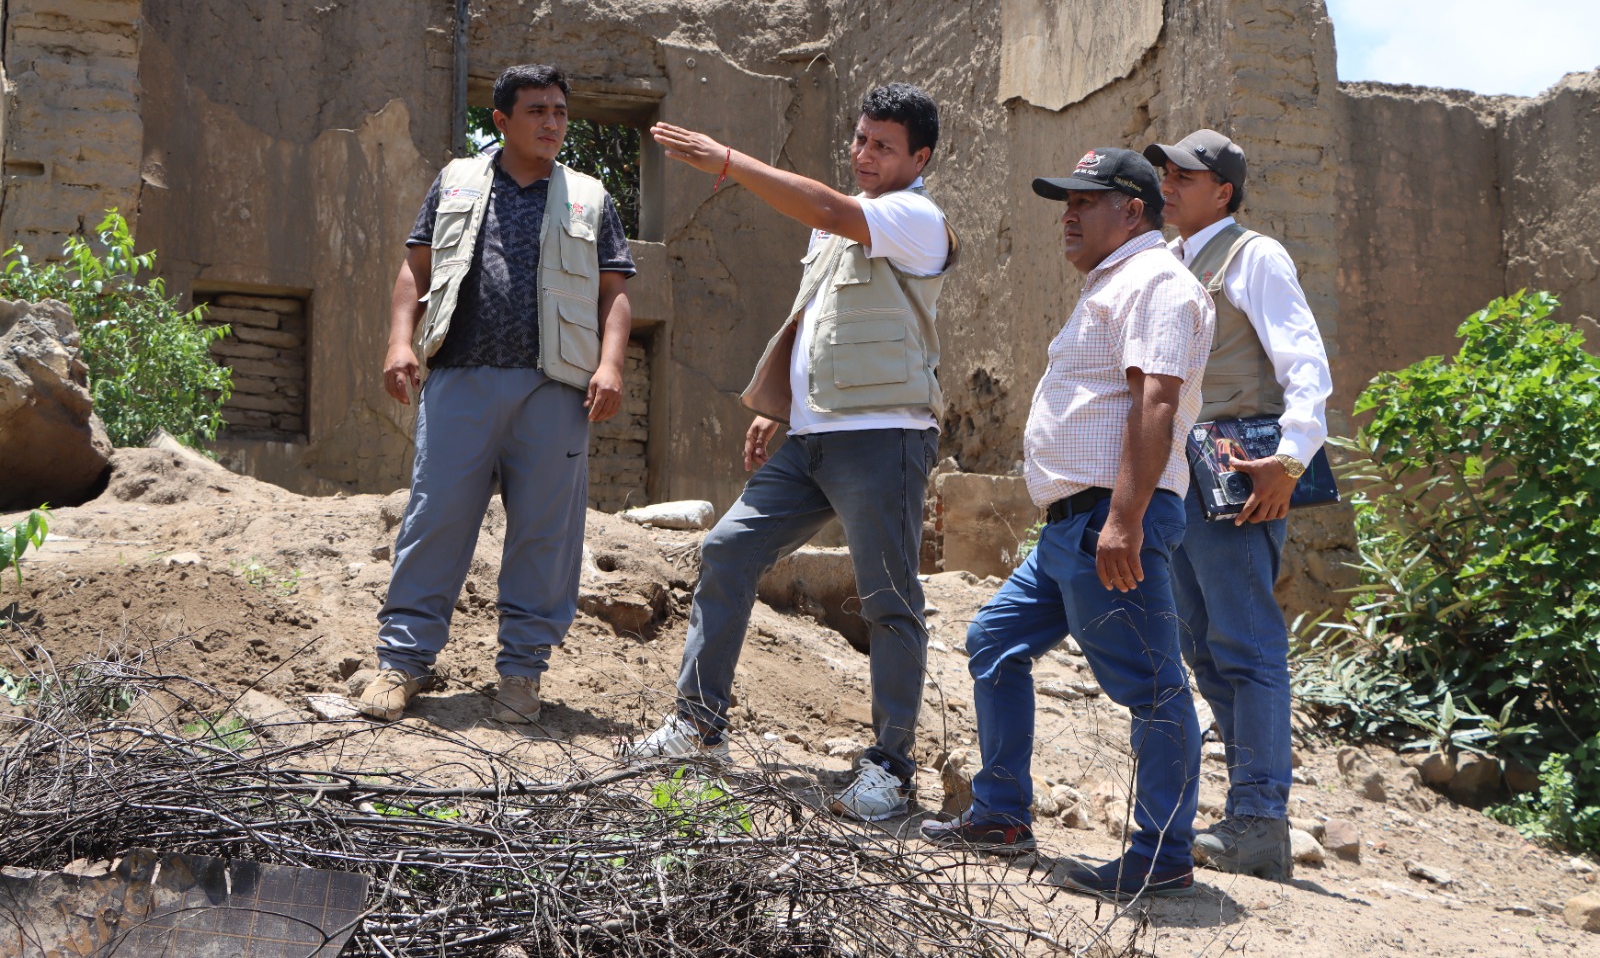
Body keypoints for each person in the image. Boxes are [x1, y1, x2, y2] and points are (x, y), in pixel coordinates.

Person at [623, 83, 956, 823]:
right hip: (814, 438)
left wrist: (730, 161)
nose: (865, 155)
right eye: (861, 139)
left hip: (883, 438)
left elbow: (833, 210)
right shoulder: (839, 227)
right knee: (729, 550)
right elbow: (820, 321)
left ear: (919, 158)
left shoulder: (914, 218)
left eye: (884, 146)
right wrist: (782, 409)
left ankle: (892, 772)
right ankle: (700, 727)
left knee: (889, 601)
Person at [923, 148, 1214, 900]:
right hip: (1070, 531)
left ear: (1134, 210)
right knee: (993, 640)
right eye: (1066, 202)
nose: (1069, 215)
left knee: (1152, 688)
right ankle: (1002, 815)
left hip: (1110, 524)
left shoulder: (1158, 283)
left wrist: (1126, 520)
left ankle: (1162, 855)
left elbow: (1155, 404)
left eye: (1087, 201)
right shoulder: (1113, 283)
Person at [357, 64, 635, 725]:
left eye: (561, 112)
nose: (553, 122)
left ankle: (520, 676)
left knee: (544, 534)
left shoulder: (589, 198)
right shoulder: (454, 182)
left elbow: (615, 290)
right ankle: (401, 663)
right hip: (458, 380)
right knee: (434, 523)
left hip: (555, 389)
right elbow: (414, 267)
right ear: (502, 121)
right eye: (537, 110)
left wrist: (613, 366)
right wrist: (400, 342)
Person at [1142, 129, 1332, 881]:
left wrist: (1290, 459)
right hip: (1178, 480)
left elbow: (1305, 362)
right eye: (1166, 172)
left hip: (1237, 477)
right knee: (1203, 648)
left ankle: (1261, 818)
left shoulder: (1254, 257)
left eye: (1185, 175)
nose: (1169, 183)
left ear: (1223, 189)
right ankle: (1246, 811)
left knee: (1248, 647)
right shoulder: (1168, 263)